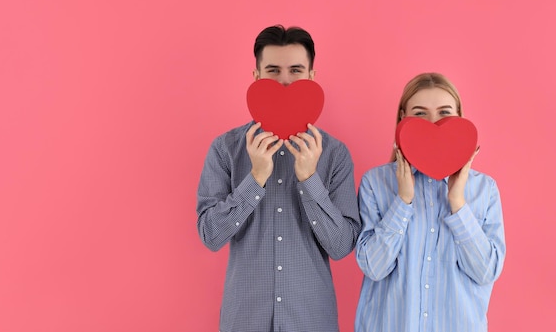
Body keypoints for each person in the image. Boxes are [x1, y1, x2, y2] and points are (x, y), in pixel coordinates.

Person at [197, 25, 361, 332]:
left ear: (311, 76)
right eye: (273, 70)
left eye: (295, 70)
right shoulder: (225, 149)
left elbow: (341, 246)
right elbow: (210, 235)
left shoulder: (335, 154)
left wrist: (310, 179)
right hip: (245, 320)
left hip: (312, 321)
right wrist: (255, 178)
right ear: (257, 76)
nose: (284, 81)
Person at [354, 72, 506, 332]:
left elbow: (486, 272)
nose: (433, 123)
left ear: (459, 117)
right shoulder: (375, 184)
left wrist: (457, 203)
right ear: (403, 118)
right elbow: (373, 267)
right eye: (420, 113)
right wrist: (402, 201)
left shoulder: (484, 189)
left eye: (445, 113)